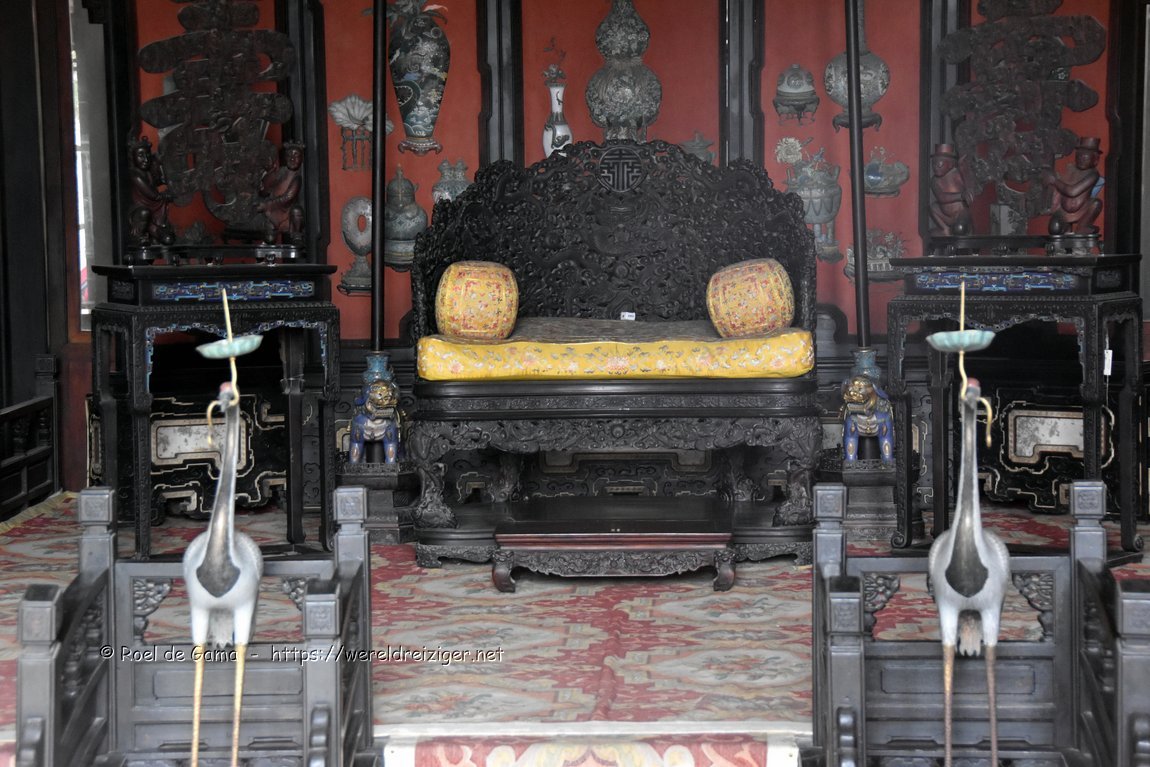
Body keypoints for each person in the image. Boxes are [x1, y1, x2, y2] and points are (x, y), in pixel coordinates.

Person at [1044, 137, 1103, 235]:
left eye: (1085, 158)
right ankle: (1066, 230)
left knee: (1096, 203)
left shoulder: (1093, 174)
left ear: (1095, 159)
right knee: (1054, 229)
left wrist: (1054, 181)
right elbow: (1061, 187)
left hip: (1082, 210)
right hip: (1063, 211)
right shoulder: (1071, 169)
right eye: (1079, 157)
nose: (1081, 160)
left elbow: (1072, 192)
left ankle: (1083, 226)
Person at [128, 136, 175, 246]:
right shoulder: (136, 176)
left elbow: (157, 182)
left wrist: (163, 178)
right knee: (144, 213)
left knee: (168, 239)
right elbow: (153, 195)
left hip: (155, 211)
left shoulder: (148, 172)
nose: (145, 159)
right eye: (140, 155)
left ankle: (156, 233)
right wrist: (164, 196)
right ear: (133, 157)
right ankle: (139, 235)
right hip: (142, 210)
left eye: (147, 155)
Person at [258, 142, 304, 244]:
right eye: (289, 156)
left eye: (296, 156)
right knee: (269, 237)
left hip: (286, 209)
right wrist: (270, 172)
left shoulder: (297, 177)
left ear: (301, 159)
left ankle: (296, 235)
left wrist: (267, 205)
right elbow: (266, 188)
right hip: (274, 209)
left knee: (297, 211)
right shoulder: (281, 171)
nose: (292, 159)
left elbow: (288, 197)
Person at [928, 143, 973, 236]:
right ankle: (945, 229)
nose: (935, 167)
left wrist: (962, 168)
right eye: (933, 164)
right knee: (933, 207)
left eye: (939, 164)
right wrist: (960, 195)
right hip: (947, 217)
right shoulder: (934, 180)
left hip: (960, 213)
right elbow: (941, 197)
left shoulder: (956, 174)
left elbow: (968, 185)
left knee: (960, 228)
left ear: (950, 164)